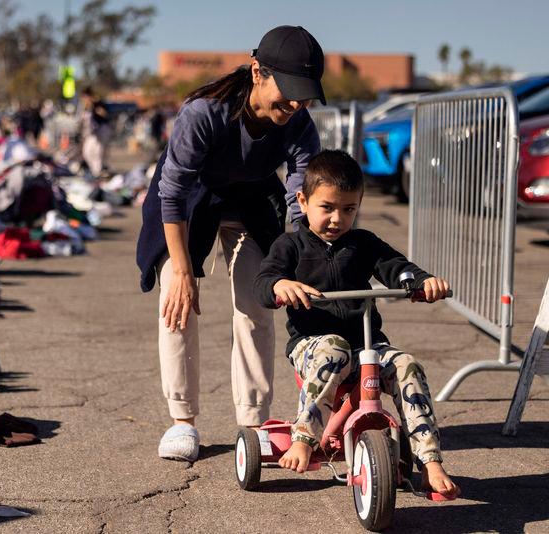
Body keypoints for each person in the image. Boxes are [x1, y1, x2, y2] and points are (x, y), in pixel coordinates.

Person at [136, 25, 325, 462]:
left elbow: (302, 194)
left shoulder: (297, 122)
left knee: (259, 302)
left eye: (306, 95)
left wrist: (300, 256)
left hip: (254, 200)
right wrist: (183, 270)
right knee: (176, 300)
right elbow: (173, 192)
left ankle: (254, 421)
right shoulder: (204, 113)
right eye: (291, 91)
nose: (297, 104)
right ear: (258, 70)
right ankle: (182, 421)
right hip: (191, 202)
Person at [253, 150, 460, 498]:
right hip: (313, 345)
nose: (337, 218)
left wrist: (422, 281)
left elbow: (396, 266)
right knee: (335, 347)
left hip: (367, 345)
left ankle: (430, 462)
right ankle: (304, 438)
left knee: (406, 364)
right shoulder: (290, 245)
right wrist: (279, 286)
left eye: (349, 209)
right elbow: (263, 283)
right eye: (328, 207)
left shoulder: (363, 243)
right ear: (303, 201)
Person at [79, 87, 111, 177]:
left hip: (100, 131)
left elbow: (104, 114)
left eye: (84, 97)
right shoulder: (85, 107)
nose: (83, 100)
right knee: (87, 152)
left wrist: (95, 107)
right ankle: (95, 171)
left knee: (97, 152)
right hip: (91, 134)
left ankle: (97, 172)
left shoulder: (97, 104)